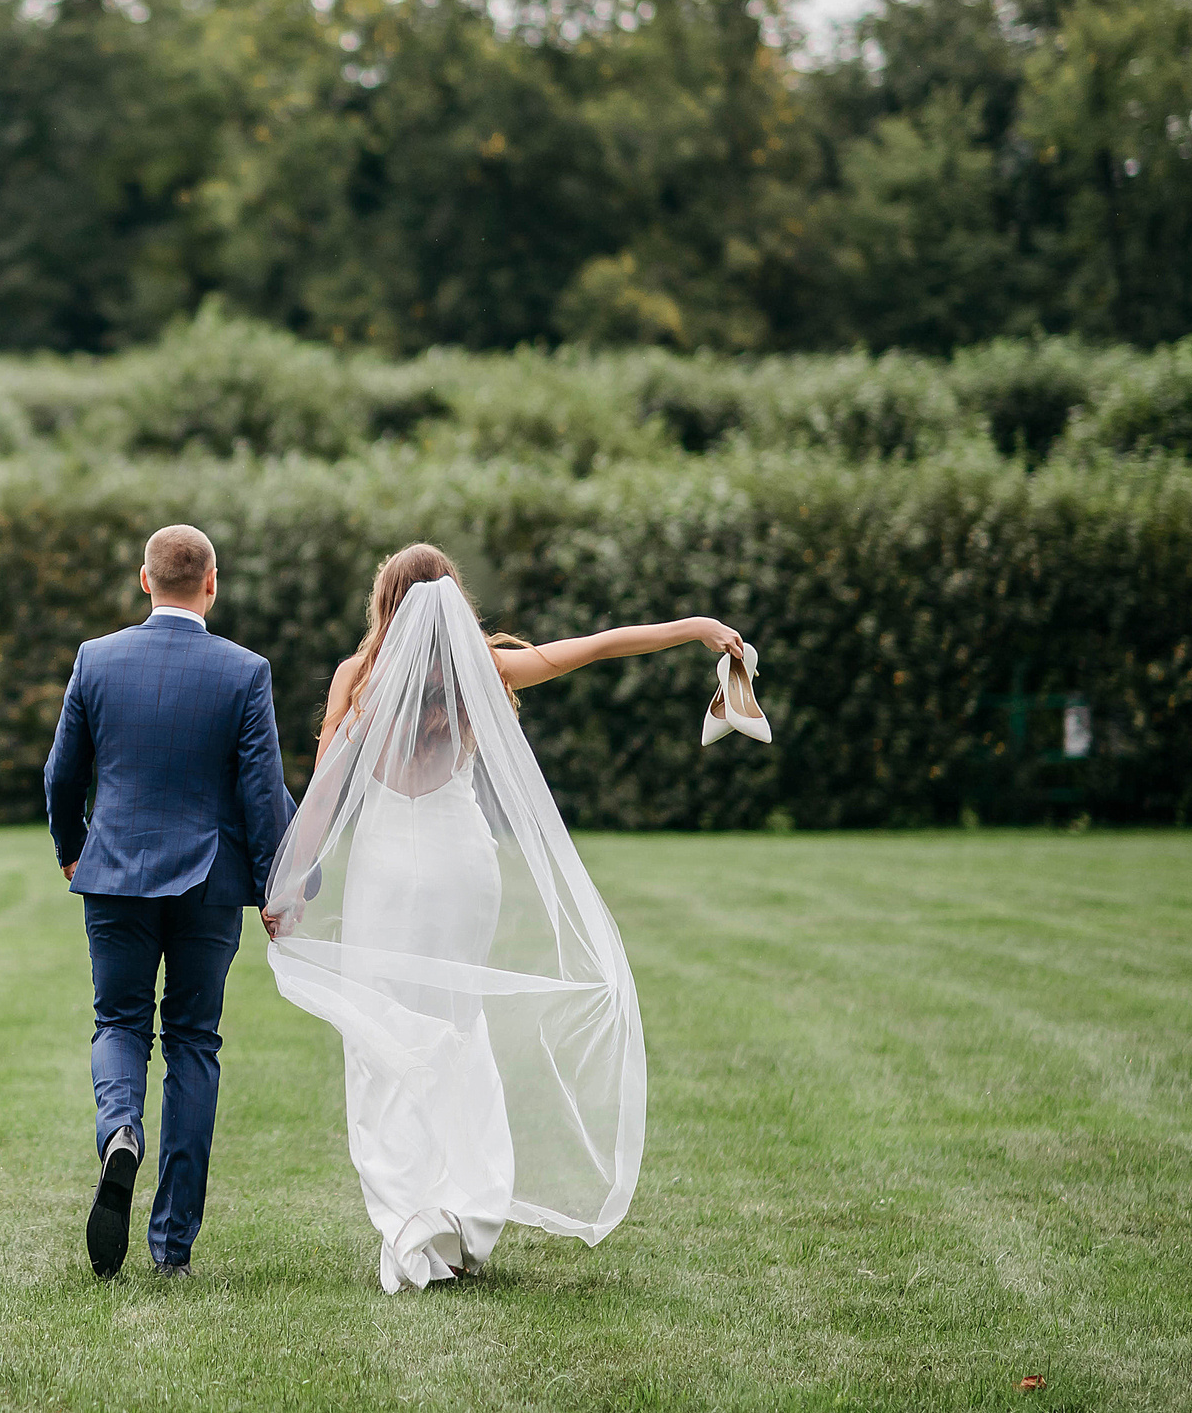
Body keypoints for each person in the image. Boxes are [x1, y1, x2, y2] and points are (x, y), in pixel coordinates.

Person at [263, 542, 745, 1292]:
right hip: (463, 866)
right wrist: (695, 626)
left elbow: (323, 793)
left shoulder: (358, 678)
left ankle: (410, 1216)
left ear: (383, 602)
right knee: (457, 1021)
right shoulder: (480, 666)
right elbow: (597, 647)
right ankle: (464, 1213)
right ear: (455, 601)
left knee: (385, 1030)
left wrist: (290, 886)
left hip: (387, 870)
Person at [45, 524, 296, 1279]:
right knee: (192, 1043)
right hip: (208, 886)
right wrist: (278, 882)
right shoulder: (245, 672)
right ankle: (171, 1246)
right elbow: (261, 792)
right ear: (212, 582)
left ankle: (119, 1129)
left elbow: (62, 775)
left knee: (120, 1020)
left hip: (114, 871)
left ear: (144, 580)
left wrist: (71, 848)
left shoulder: (97, 658)